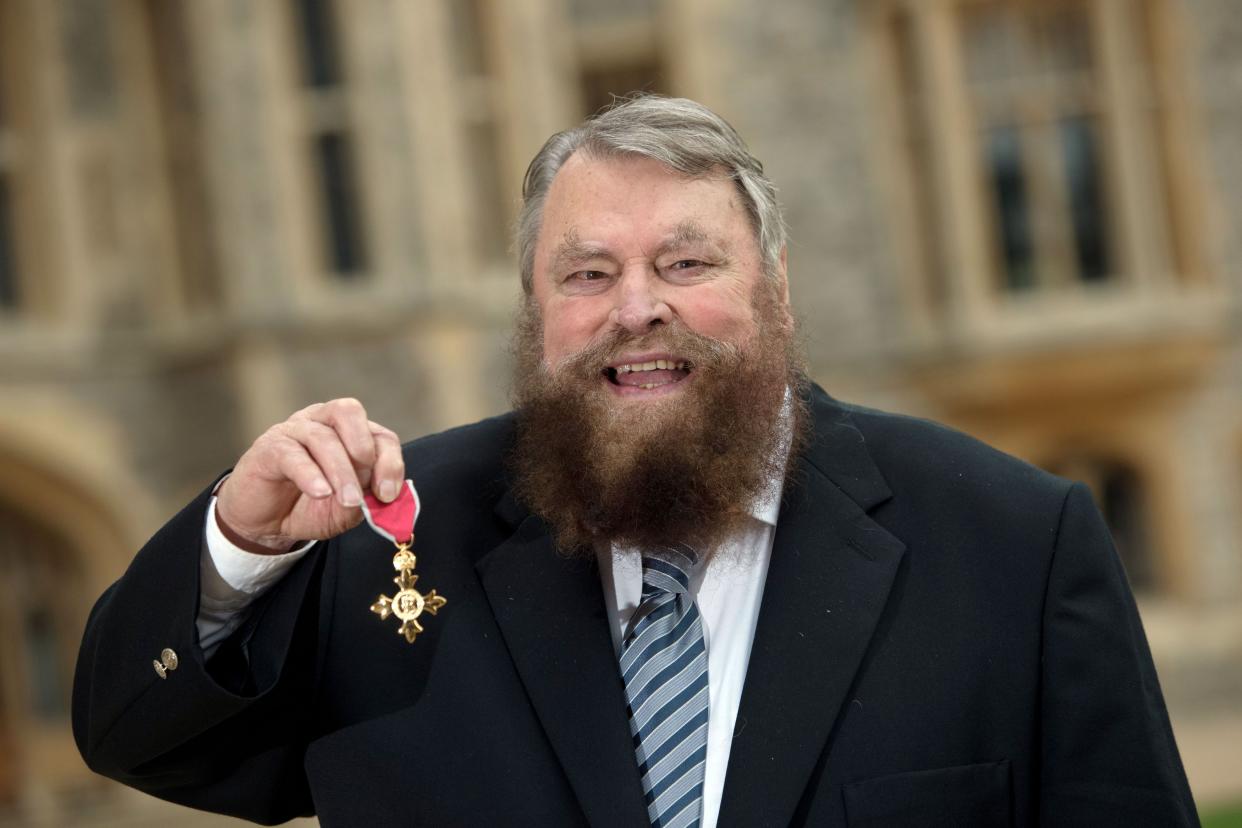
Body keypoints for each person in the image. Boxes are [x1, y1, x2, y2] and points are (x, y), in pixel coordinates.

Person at [74, 96, 1198, 828]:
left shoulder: (1012, 543)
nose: (639, 309)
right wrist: (240, 543)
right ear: (536, 311)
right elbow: (137, 737)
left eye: (687, 259)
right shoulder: (394, 534)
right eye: (588, 274)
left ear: (777, 290)